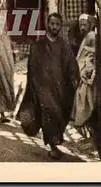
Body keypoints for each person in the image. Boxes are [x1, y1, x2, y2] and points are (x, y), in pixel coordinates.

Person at [18, 12, 79, 159]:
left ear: (60, 26)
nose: (54, 27)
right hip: (43, 88)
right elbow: (32, 66)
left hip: (60, 89)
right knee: (49, 114)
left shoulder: (64, 46)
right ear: (47, 24)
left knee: (59, 115)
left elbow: (71, 64)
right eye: (52, 23)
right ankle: (53, 145)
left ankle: (55, 140)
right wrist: (35, 85)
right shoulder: (38, 46)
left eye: (57, 24)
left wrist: (74, 79)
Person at [71, 14, 98, 136]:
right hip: (83, 70)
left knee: (85, 97)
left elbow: (91, 54)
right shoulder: (87, 36)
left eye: (84, 24)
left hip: (88, 70)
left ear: (90, 25)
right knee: (82, 97)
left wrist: (87, 69)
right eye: (80, 25)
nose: (82, 27)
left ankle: (85, 124)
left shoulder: (91, 35)